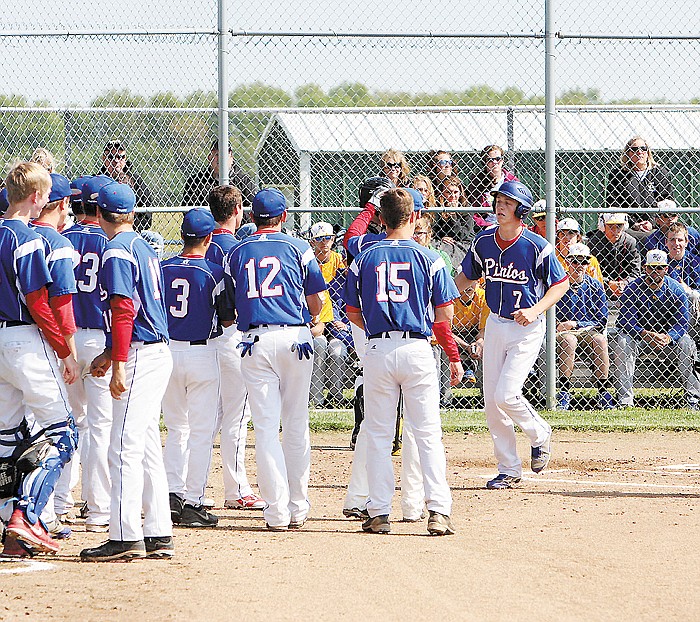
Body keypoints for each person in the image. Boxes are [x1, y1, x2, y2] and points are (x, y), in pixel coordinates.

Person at [343, 187, 462, 536]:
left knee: (379, 433)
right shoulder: (430, 257)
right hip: (418, 347)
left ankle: (379, 512)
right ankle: (438, 511)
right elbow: (446, 313)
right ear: (413, 218)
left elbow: (352, 311)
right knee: (426, 432)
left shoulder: (363, 257)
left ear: (380, 218)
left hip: (378, 348)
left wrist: (380, 326)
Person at [80, 182, 173, 562]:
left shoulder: (115, 249)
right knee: (147, 443)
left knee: (122, 446)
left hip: (139, 353)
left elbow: (123, 310)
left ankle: (124, 535)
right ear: (132, 214)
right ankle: (158, 532)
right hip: (154, 349)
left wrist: (118, 363)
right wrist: (109, 353)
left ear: (98, 214)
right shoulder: (142, 245)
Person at [456, 180, 569, 489]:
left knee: (506, 394)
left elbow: (560, 284)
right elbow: (467, 276)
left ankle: (539, 431)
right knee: (492, 404)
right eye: (498, 200)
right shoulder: (483, 242)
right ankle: (508, 468)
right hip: (495, 323)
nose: (500, 205)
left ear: (522, 209)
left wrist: (536, 310)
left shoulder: (535, 245)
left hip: (527, 328)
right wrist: (443, 298)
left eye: (507, 201)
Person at [223, 188, 326, 531]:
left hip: (254, 340)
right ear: (283, 217)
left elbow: (227, 309)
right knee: (296, 421)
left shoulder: (237, 250)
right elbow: (316, 300)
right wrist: (313, 317)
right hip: (295, 337)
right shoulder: (299, 247)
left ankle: (276, 511)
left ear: (251, 216)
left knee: (265, 427)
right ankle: (298, 506)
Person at [0, 162, 79, 557]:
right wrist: (65, 351)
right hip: (23, 339)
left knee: (6, 437)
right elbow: (38, 303)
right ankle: (25, 516)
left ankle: (7, 527)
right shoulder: (27, 238)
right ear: (35, 197)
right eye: (45, 194)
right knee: (62, 432)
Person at [162, 209, 230, 528]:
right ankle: (193, 501)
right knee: (201, 431)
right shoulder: (215, 272)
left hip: (167, 353)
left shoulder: (162, 268)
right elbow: (228, 317)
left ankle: (172, 495)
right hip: (203, 353)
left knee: (176, 427)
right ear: (209, 237)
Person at [205, 185, 264, 511]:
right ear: (237, 210)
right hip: (229, 337)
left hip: (202, 340)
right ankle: (236, 488)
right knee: (235, 417)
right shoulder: (236, 248)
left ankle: (186, 486)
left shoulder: (202, 239)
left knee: (206, 418)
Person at [60, 175, 114, 532]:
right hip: (97, 341)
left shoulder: (61, 240)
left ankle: (59, 502)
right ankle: (97, 511)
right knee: (100, 425)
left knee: (68, 421)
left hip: (65, 339)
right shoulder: (110, 243)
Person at [29, 174, 80, 531]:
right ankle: (41, 511)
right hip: (43, 343)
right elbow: (61, 306)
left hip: (13, 341)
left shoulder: (15, 232)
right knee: (57, 430)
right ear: (61, 204)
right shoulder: (55, 242)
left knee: (19, 428)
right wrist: (69, 354)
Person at [613, 250, 700, 409]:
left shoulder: (675, 289)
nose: (655, 272)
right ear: (645, 268)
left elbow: (682, 323)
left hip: (667, 339)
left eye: (659, 268)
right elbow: (626, 321)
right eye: (652, 267)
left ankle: (693, 398)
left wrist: (669, 337)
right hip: (639, 337)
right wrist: (645, 334)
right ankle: (625, 401)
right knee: (623, 343)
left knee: (687, 343)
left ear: (666, 269)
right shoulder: (633, 288)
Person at [554, 243, 613, 411]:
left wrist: (577, 324)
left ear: (588, 264)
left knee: (600, 339)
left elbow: (602, 320)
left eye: (584, 262)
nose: (579, 266)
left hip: (586, 330)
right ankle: (564, 392)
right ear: (567, 262)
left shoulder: (595, 285)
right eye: (575, 261)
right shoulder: (559, 284)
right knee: (570, 340)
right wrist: (563, 326)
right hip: (562, 332)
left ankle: (603, 392)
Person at [308, 222, 350, 408]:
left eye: (328, 238)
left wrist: (346, 323)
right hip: (315, 322)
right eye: (319, 239)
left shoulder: (339, 261)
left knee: (336, 349)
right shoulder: (308, 263)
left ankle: (336, 397)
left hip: (336, 321)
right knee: (319, 345)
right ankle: (315, 399)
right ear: (312, 242)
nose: (324, 243)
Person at [605, 136, 674, 238]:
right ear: (628, 153)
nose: (639, 152)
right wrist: (633, 224)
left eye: (643, 149)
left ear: (648, 152)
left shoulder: (660, 174)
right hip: (628, 227)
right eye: (634, 149)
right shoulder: (618, 175)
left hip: (656, 226)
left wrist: (652, 223)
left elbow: (667, 203)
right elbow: (613, 203)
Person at [183, 139, 256, 208]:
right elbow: (189, 211)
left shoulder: (244, 181)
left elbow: (251, 210)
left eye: (224, 154)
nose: (221, 158)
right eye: (217, 154)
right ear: (209, 157)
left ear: (231, 158)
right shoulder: (196, 181)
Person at [99, 140, 154, 232]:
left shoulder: (135, 180)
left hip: (131, 229)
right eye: (111, 157)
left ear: (125, 159)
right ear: (104, 159)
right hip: (104, 230)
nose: (116, 161)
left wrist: (128, 228)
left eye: (120, 157)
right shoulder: (97, 181)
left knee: (155, 239)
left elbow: (147, 214)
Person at [587, 212, 641, 302]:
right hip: (600, 286)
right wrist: (608, 283)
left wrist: (624, 283)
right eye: (611, 226)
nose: (615, 231)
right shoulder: (594, 242)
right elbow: (590, 271)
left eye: (619, 226)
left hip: (625, 288)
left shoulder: (630, 242)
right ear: (603, 226)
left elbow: (635, 271)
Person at [466, 144, 519, 228]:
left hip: (509, 222)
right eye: (490, 160)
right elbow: (474, 212)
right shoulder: (477, 183)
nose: (494, 162)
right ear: (485, 162)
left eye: (497, 159)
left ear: (502, 161)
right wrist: (486, 225)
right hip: (486, 225)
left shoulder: (512, 181)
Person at [555, 217, 604, 284]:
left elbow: (599, 287)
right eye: (563, 234)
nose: (567, 238)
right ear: (558, 237)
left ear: (578, 237)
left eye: (571, 233)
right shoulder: (553, 257)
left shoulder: (590, 260)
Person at [433, 175, 474, 247]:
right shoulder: (436, 207)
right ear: (442, 193)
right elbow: (434, 231)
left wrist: (453, 215)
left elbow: (464, 235)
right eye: (448, 192)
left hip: (462, 243)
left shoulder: (466, 208)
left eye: (456, 192)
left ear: (460, 193)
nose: (452, 196)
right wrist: (441, 238)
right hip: (441, 243)